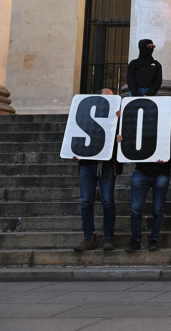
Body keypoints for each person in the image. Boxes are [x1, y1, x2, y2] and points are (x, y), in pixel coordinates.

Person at [72, 88, 121, 252]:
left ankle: (108, 237)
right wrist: (74, 151)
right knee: (86, 202)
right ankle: (88, 237)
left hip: (106, 165)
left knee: (107, 201)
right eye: (106, 98)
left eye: (112, 99)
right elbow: (75, 132)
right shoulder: (86, 114)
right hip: (87, 164)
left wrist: (121, 135)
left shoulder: (117, 118)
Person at [121, 134, 171, 252]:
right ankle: (135, 239)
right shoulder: (143, 122)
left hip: (162, 171)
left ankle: (153, 239)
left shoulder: (168, 122)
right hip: (142, 171)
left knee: (158, 209)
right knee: (136, 209)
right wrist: (122, 138)